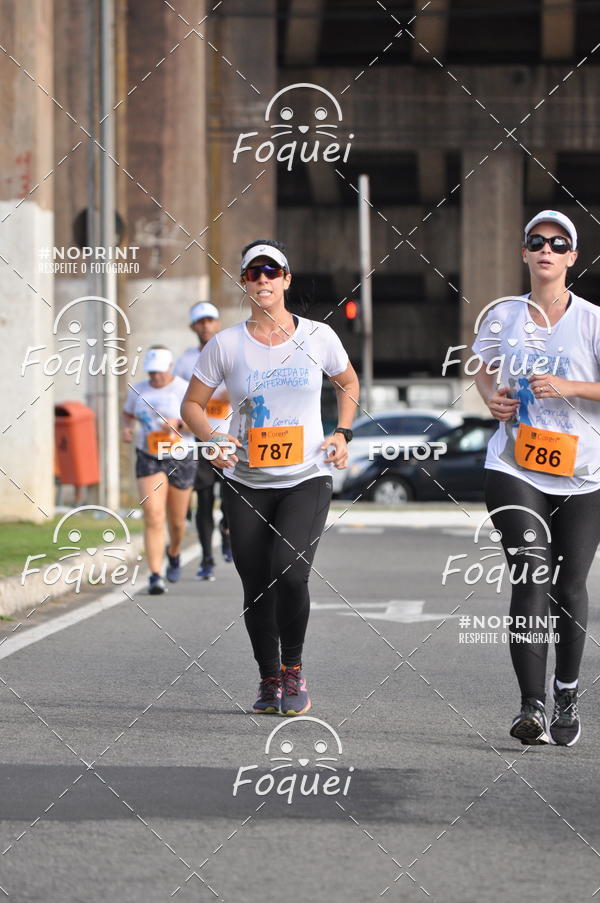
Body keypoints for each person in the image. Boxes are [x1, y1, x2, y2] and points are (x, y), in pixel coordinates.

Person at [182, 240, 359, 715]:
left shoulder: (319, 337)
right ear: (245, 282)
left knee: (290, 569)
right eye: (253, 272)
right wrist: (212, 440)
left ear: (286, 279)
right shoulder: (226, 344)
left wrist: (342, 432)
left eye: (271, 270)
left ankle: (294, 670)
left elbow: (348, 382)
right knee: (255, 582)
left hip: (307, 476)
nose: (263, 279)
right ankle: (268, 678)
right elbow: (192, 406)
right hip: (246, 481)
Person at [473, 209, 600, 746]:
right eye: (536, 241)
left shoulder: (593, 320)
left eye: (558, 243)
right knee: (531, 577)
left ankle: (567, 692)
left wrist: (570, 388)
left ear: (572, 256)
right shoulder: (502, 315)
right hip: (514, 465)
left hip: (584, 472)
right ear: (524, 253)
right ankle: (532, 707)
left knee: (569, 586)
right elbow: (481, 369)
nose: (546, 249)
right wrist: (492, 399)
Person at [123, 346, 196, 595]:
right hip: (149, 455)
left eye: (159, 372)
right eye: (151, 372)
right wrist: (128, 428)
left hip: (180, 455)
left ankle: (174, 551)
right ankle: (155, 575)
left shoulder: (184, 388)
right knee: (153, 515)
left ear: (170, 368)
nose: (155, 377)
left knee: (177, 523)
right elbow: (127, 414)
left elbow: (198, 423)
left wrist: (178, 425)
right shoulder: (139, 390)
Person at [174, 302, 232, 580]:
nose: (206, 326)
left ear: (218, 323)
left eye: (211, 320)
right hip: (200, 440)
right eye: (201, 322)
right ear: (193, 327)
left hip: (230, 437)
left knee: (232, 498)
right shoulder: (185, 362)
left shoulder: (231, 352)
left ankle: (228, 530)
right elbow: (177, 398)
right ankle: (207, 558)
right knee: (204, 499)